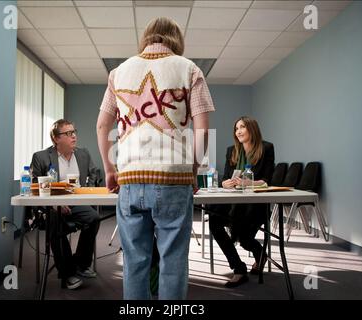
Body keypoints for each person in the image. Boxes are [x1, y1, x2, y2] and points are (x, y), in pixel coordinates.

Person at [96, 17, 215, 299]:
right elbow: (201, 128)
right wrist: (194, 169)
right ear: (175, 39)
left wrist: (109, 169)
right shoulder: (189, 69)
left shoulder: (119, 72)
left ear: (147, 37)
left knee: (135, 262)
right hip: (173, 178)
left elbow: (102, 126)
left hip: (131, 179)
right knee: (173, 261)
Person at [30, 119, 101, 290]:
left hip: (77, 201)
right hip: (52, 205)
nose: (74, 136)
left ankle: (81, 263)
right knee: (56, 222)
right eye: (68, 133)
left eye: (74, 132)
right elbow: (35, 187)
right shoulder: (41, 157)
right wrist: (55, 204)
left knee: (94, 218)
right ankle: (67, 273)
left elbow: (94, 174)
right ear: (56, 138)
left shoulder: (83, 154)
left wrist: (87, 194)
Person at [209, 116, 274, 288]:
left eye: (242, 127)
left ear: (252, 129)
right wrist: (225, 183)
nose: (238, 131)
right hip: (233, 203)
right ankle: (238, 268)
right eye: (236, 128)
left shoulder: (266, 148)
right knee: (214, 222)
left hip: (255, 205)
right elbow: (224, 179)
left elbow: (267, 180)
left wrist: (250, 183)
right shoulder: (232, 150)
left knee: (244, 239)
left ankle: (259, 253)